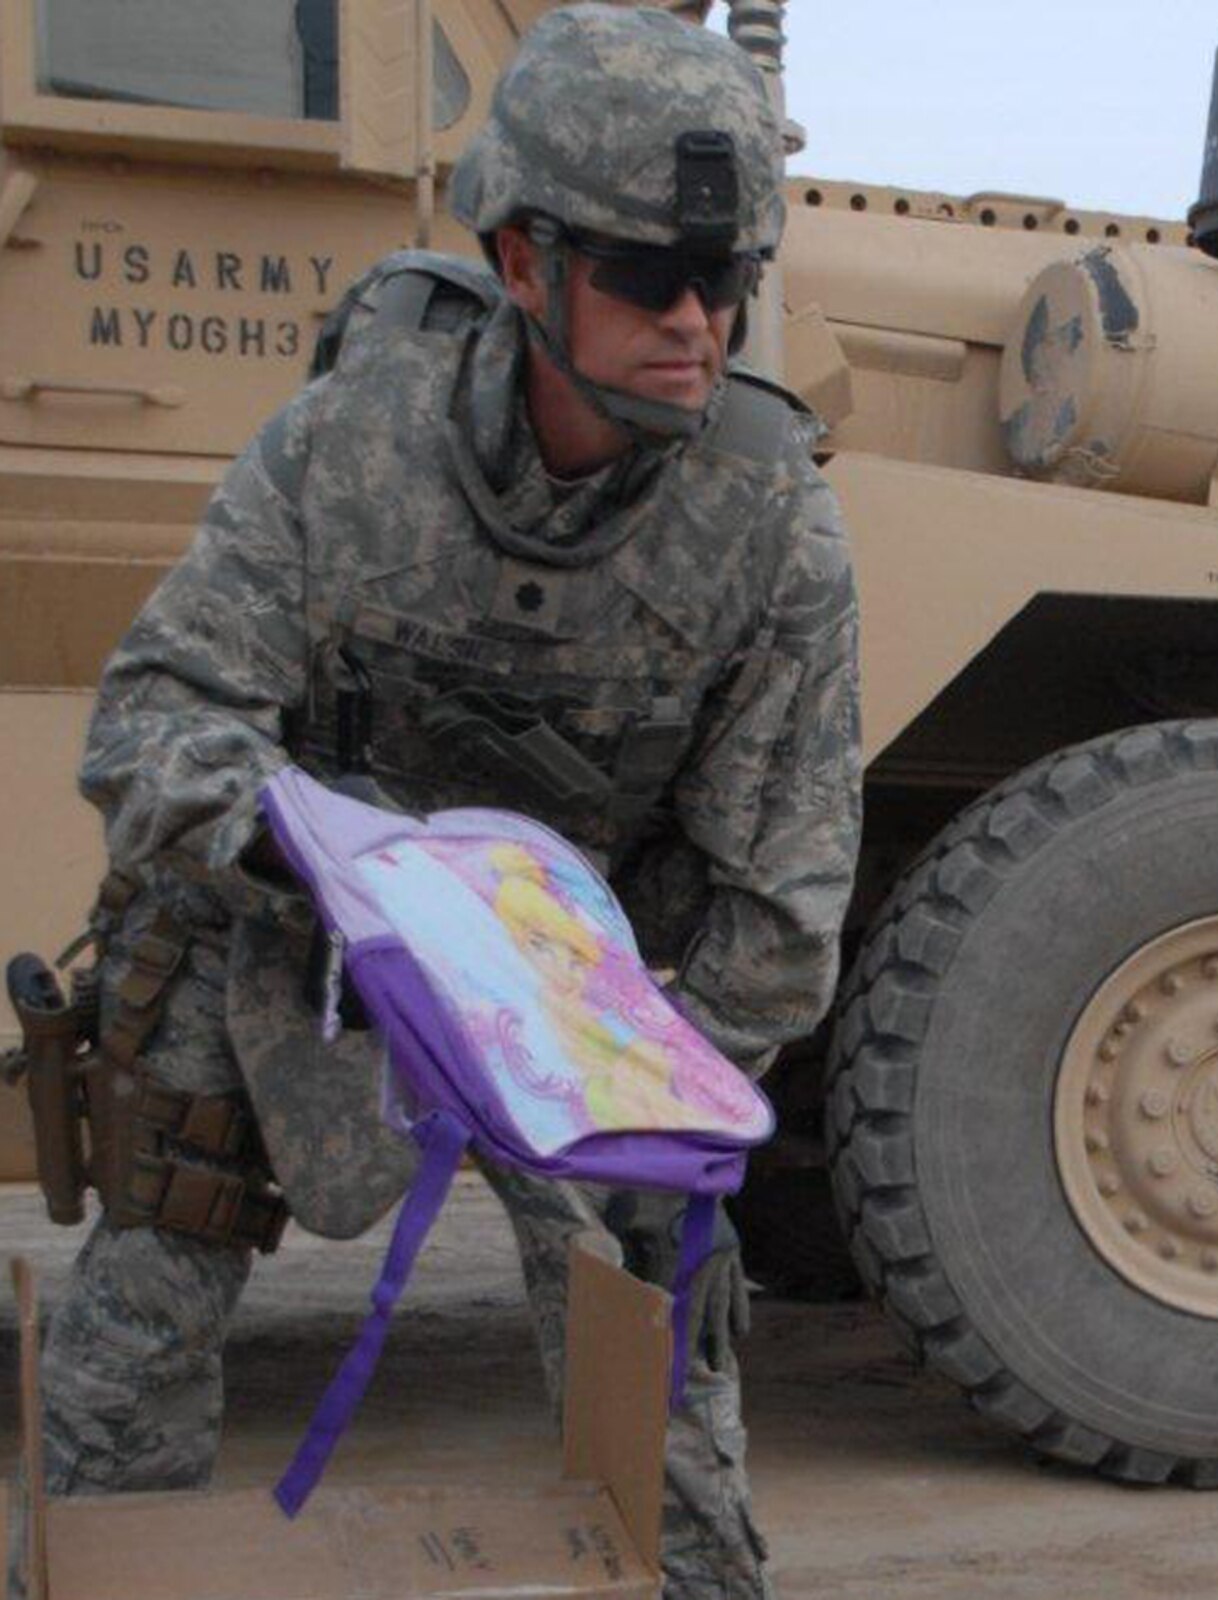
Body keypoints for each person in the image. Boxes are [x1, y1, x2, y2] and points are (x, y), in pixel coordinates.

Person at [31, 8, 859, 1599]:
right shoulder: (351, 447)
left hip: (581, 1004)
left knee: (671, 1403)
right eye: (643, 275)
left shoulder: (774, 529)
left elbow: (780, 921)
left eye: (727, 281)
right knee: (141, 1291)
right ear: (524, 261)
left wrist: (596, 1053)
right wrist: (318, 855)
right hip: (299, 937)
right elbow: (153, 722)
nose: (696, 321)